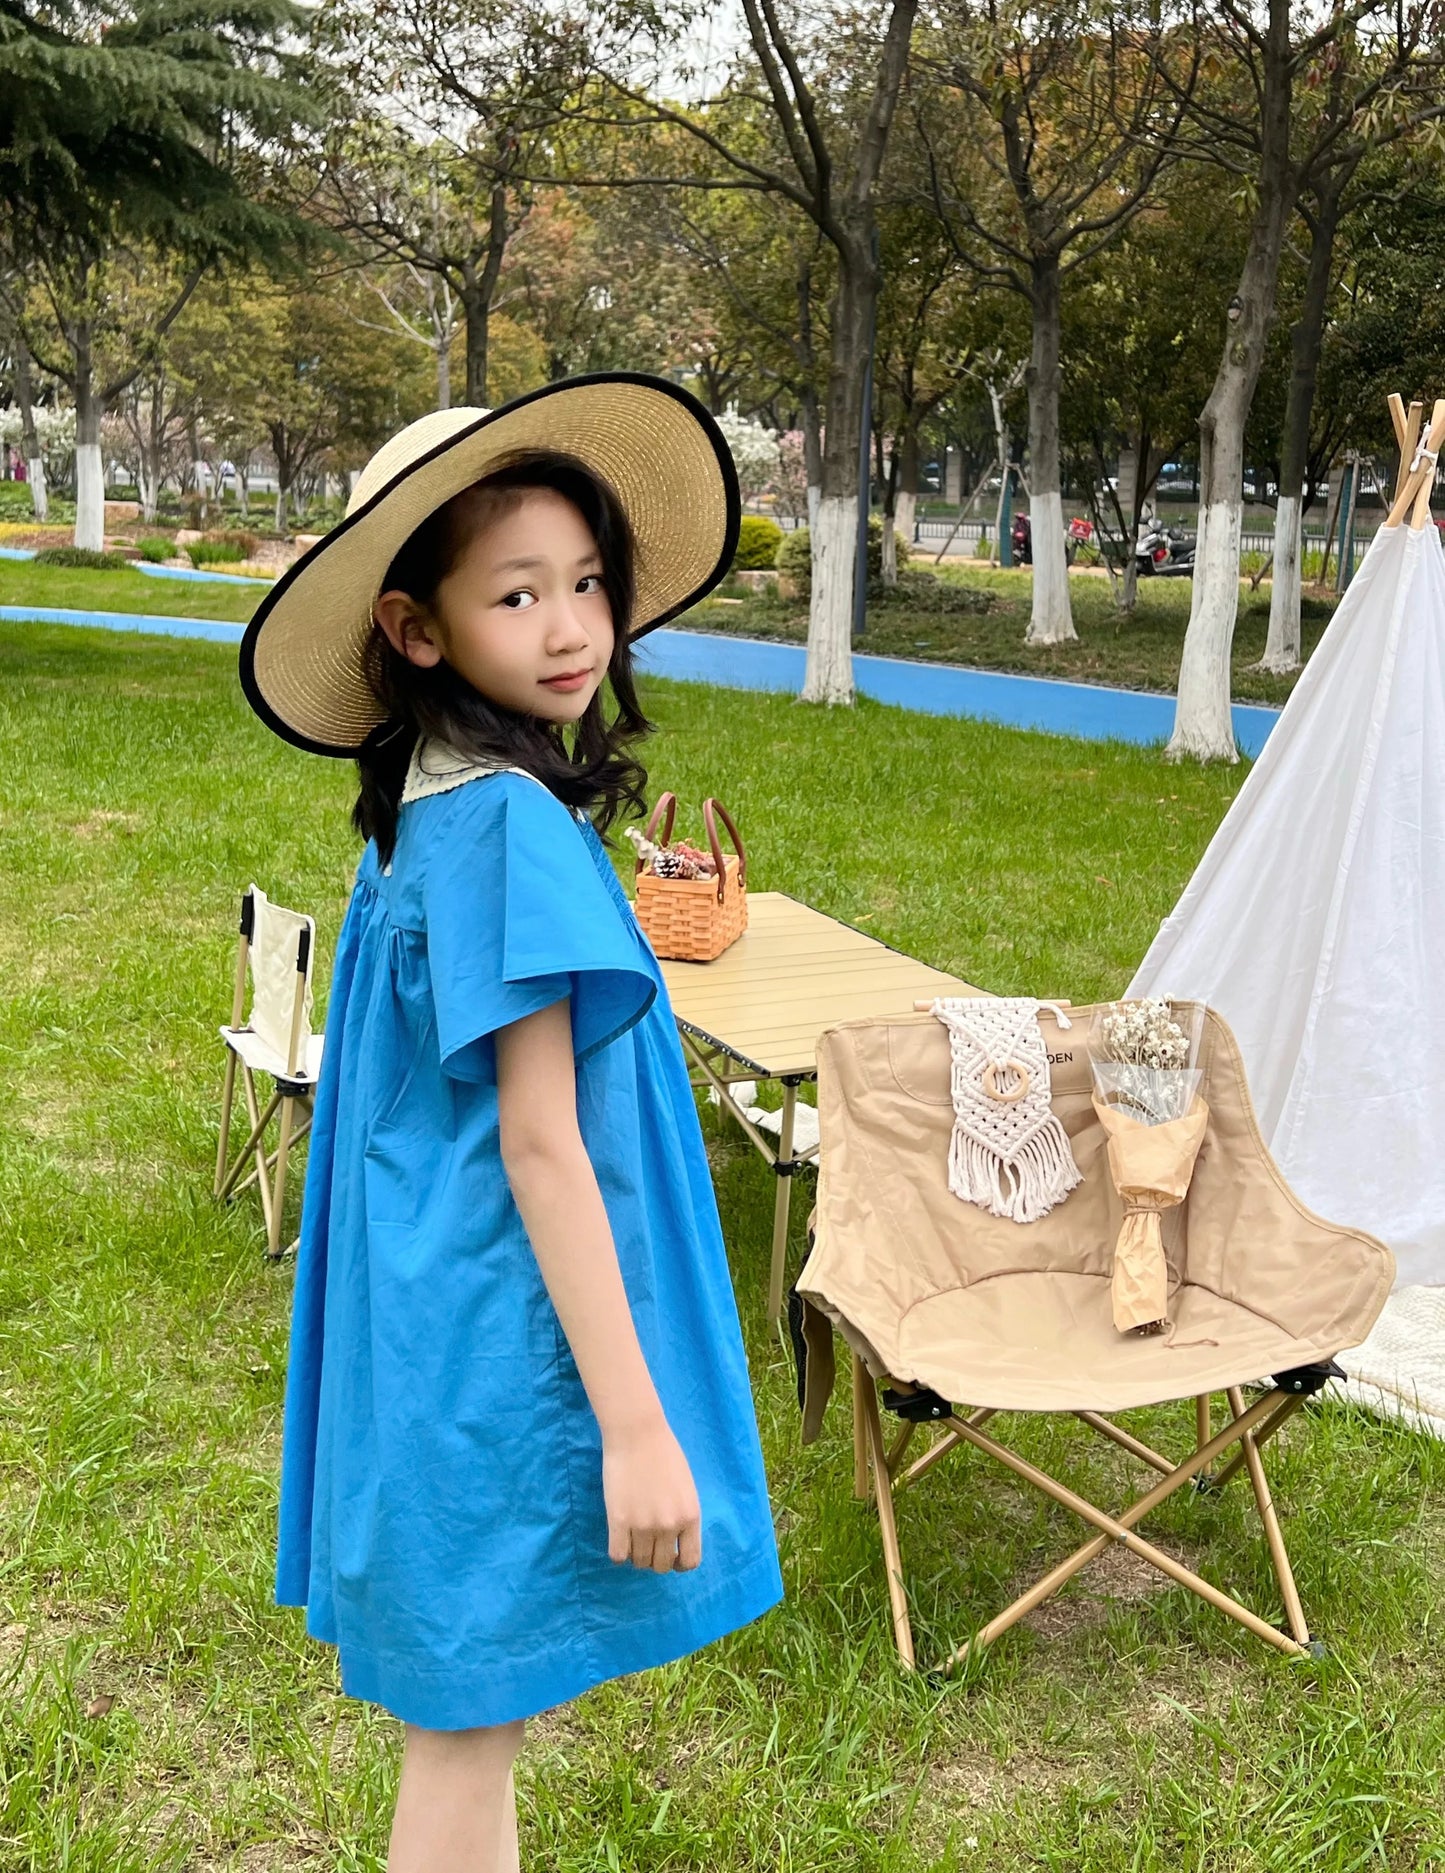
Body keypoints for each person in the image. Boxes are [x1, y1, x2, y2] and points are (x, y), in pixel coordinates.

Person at [240, 376, 782, 1873]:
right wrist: (632, 1424)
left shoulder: (427, 799)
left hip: (429, 1314)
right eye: (518, 593)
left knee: (470, 1719)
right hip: (497, 1341)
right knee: (465, 1731)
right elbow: (542, 1146)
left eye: (589, 583)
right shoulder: (509, 827)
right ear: (418, 629)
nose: (570, 628)